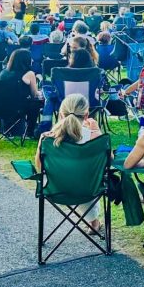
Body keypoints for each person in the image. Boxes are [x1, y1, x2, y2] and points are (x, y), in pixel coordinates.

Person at [34, 93, 104, 231]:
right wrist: (96, 130)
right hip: (88, 189)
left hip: (55, 189)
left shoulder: (47, 138)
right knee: (84, 177)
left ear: (60, 115)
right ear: (86, 115)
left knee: (75, 178)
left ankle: (94, 223)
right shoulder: (94, 137)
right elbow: (107, 163)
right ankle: (94, 222)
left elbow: (39, 166)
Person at [0, 48, 43, 135]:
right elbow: (34, 95)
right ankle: (30, 131)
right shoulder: (29, 74)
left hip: (1, 108)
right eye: (30, 58)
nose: (32, 60)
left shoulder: (3, 73)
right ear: (26, 60)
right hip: (19, 108)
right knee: (36, 103)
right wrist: (41, 93)